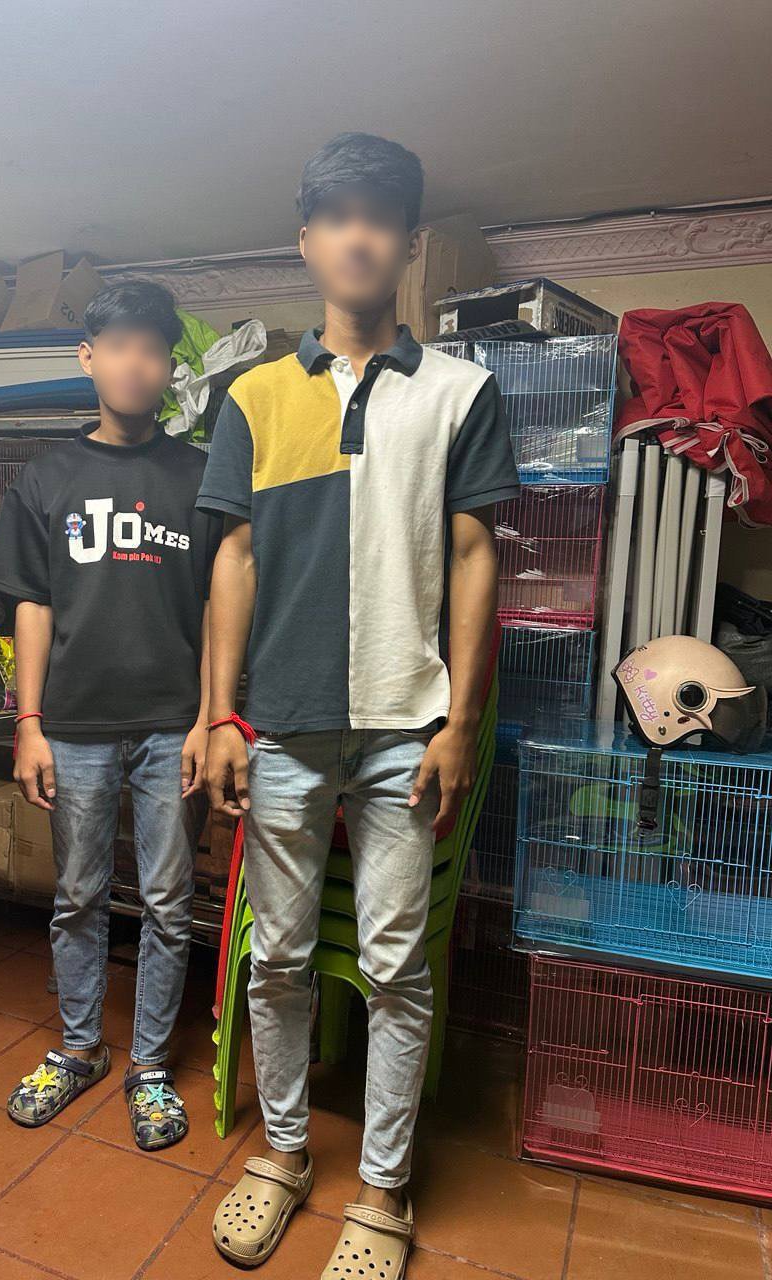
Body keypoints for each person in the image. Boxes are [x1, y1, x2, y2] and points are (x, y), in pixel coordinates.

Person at [198, 134, 519, 1277]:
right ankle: (284, 1153)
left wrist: (460, 722)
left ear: (409, 241)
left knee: (394, 966)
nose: (359, 236)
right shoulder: (251, 395)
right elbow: (234, 559)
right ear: (307, 240)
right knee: (277, 959)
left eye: (381, 216)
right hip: (282, 727)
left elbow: (475, 553)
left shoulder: (461, 392)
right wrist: (217, 715)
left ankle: (383, 1188)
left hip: (405, 727)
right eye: (337, 215)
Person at [0, 280, 219, 1150]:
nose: (134, 364)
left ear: (169, 366)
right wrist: (28, 722)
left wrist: (212, 719)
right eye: (117, 346)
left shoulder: (199, 475)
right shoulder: (48, 477)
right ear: (88, 358)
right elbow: (32, 606)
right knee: (78, 895)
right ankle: (80, 1048)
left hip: (173, 724)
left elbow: (221, 608)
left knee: (167, 900)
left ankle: (149, 1066)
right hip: (72, 725)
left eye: (152, 349)